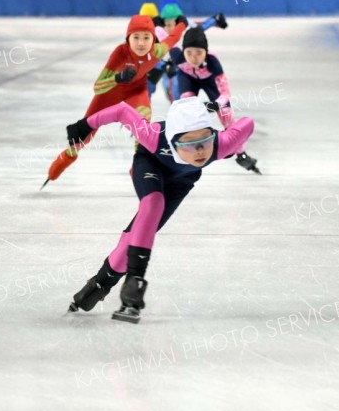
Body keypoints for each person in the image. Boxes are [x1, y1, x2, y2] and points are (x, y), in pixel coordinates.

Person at [66, 97, 255, 322]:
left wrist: (230, 135)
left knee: (134, 238)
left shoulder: (221, 145)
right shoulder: (154, 137)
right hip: (150, 162)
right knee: (153, 203)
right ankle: (134, 283)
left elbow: (248, 123)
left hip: (181, 182)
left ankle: (100, 284)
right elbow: (121, 111)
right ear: (174, 143)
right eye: (189, 145)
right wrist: (85, 125)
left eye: (205, 141)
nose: (200, 151)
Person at [42, 14, 188, 188]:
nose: (141, 43)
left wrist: (182, 23)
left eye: (146, 37)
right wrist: (118, 78)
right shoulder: (121, 52)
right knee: (84, 136)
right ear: (128, 39)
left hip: (136, 90)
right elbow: (98, 86)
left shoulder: (157, 50)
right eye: (136, 37)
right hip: (109, 93)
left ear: (153, 38)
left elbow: (174, 37)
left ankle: (138, 166)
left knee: (143, 121)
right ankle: (62, 161)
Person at [169, 26, 261, 174]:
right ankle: (183, 150)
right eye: (189, 53)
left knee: (226, 115)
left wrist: (215, 105)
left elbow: (225, 93)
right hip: (187, 79)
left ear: (206, 52)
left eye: (199, 53)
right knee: (187, 109)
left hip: (210, 81)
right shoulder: (177, 56)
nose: (193, 58)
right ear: (183, 51)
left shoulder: (213, 63)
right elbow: (162, 40)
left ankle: (241, 154)